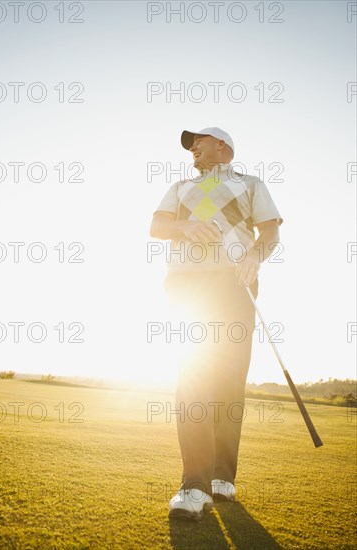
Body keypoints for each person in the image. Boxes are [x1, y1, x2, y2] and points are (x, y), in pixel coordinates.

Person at [149, 127, 283, 520]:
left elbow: (270, 231)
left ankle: (222, 477)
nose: (192, 147)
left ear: (222, 146)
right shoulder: (180, 186)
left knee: (228, 383)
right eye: (190, 144)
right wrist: (186, 227)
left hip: (235, 285)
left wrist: (254, 256)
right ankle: (194, 485)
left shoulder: (249, 184)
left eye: (200, 140)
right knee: (193, 377)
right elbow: (157, 227)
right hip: (188, 284)